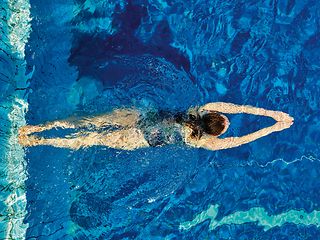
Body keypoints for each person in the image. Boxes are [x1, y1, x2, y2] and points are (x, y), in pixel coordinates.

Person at [18, 102, 294, 151]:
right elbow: (242, 141)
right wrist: (272, 127)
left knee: (89, 122)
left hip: (138, 117)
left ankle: (38, 127)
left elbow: (239, 107)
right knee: (88, 139)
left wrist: (272, 113)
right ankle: (36, 142)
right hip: (138, 139)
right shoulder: (204, 142)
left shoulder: (199, 109)